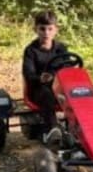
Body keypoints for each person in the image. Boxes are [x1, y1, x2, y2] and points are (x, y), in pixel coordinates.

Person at [22, 10, 68, 145]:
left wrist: (54, 75)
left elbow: (66, 66)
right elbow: (28, 73)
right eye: (42, 29)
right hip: (37, 89)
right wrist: (40, 78)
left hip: (59, 87)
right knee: (46, 93)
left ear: (56, 30)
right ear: (35, 29)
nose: (46, 33)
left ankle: (83, 128)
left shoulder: (61, 48)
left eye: (50, 29)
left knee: (79, 93)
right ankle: (52, 129)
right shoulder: (31, 50)